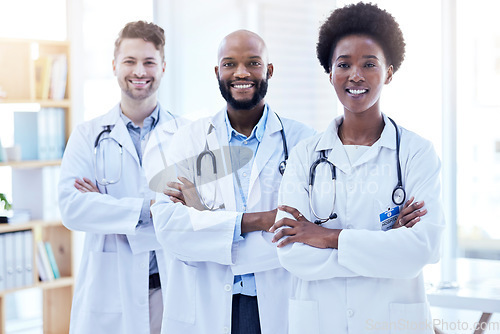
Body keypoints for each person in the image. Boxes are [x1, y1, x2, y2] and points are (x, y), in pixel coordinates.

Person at [269, 3, 444, 334]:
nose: (356, 75)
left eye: (369, 64)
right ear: (330, 72)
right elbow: (291, 253)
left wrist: (327, 237)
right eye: (344, 64)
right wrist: (383, 247)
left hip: (391, 323)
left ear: (389, 72)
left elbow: (423, 248)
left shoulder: (416, 153)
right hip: (321, 322)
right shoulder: (305, 155)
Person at [147, 29, 316, 334]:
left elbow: (306, 232)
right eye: (229, 64)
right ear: (217, 72)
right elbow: (170, 228)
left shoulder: (302, 141)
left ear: (269, 70)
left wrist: (206, 221)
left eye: (253, 63)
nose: (241, 73)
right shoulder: (189, 139)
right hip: (205, 304)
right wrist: (260, 221)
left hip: (277, 304)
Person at [58, 21, 186, 334]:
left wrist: (104, 204)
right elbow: (72, 208)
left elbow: (194, 209)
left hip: (171, 288)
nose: (139, 71)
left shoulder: (186, 134)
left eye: (149, 62)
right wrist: (151, 209)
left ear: (163, 67)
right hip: (110, 287)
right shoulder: (88, 135)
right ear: (114, 65)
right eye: (129, 61)